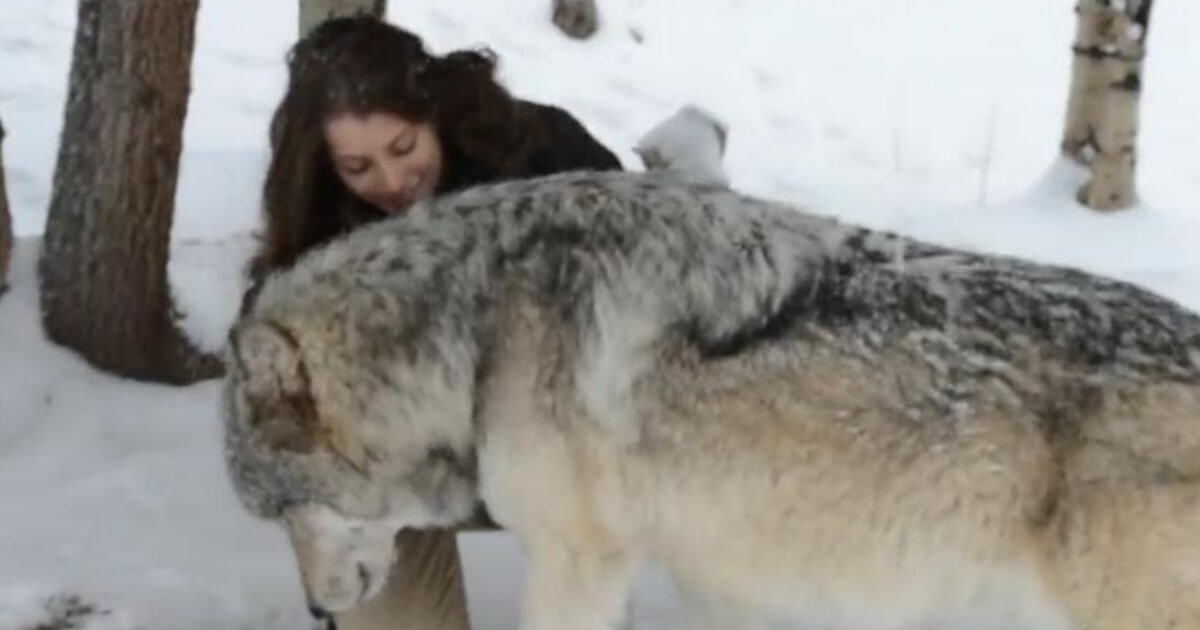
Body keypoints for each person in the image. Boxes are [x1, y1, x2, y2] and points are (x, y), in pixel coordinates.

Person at [242, 14, 623, 630]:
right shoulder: (317, 224)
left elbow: (647, 271)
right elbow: (271, 357)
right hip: (413, 459)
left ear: (434, 112)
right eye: (358, 168)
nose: (392, 181)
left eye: (403, 148)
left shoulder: (540, 149)